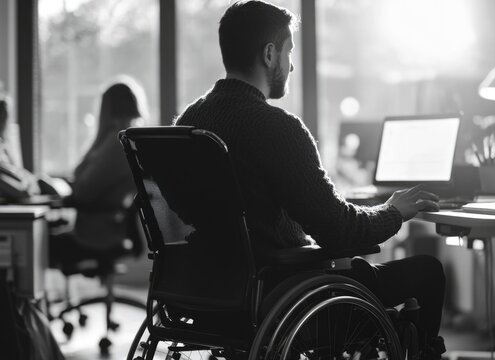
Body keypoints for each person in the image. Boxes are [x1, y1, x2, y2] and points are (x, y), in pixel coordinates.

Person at [174, 1, 446, 358]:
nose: (291, 64)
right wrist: (393, 211)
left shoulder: (188, 124)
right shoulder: (277, 128)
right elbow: (339, 232)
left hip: (207, 292)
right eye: (289, 51)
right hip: (283, 295)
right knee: (427, 271)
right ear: (270, 54)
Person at [50, 77, 148, 264]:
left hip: (95, 234)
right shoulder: (132, 138)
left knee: (38, 241)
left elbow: (83, 193)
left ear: (107, 109)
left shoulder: (116, 144)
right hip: (111, 228)